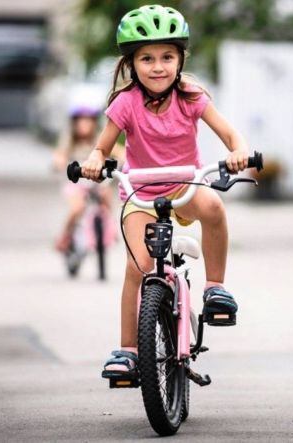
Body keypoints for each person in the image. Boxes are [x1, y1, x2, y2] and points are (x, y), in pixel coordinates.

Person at [78, 4, 252, 378]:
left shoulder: (190, 96)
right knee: (138, 266)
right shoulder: (126, 103)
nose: (158, 66)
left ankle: (215, 289)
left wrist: (237, 151)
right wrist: (95, 160)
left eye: (167, 57)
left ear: (180, 59)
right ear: (131, 64)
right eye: (147, 58)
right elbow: (101, 147)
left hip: (185, 186)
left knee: (215, 208)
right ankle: (127, 350)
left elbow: (230, 134)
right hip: (140, 195)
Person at [53, 105, 115, 254]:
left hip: (95, 181)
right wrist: (60, 161)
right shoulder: (69, 139)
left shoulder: (99, 139)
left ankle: (109, 228)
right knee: (77, 208)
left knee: (106, 196)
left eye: (88, 122)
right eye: (81, 122)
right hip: (76, 182)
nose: (84, 125)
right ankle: (65, 236)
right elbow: (60, 154)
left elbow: (118, 151)